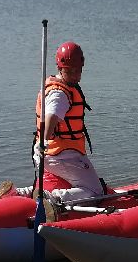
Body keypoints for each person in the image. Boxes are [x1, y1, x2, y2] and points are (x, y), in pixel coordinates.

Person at [33, 41, 107, 204]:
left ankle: (17, 193)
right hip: (60, 155)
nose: (75, 75)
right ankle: (51, 199)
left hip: (52, 152)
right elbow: (52, 115)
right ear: (60, 68)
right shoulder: (59, 93)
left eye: (78, 70)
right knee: (96, 191)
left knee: (89, 182)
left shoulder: (58, 86)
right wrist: (46, 137)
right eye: (70, 71)